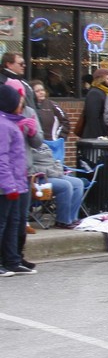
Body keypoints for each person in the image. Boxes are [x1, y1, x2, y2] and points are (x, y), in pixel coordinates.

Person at [0, 85, 31, 276]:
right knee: (2, 223)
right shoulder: (3, 125)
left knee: (14, 222)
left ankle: (12, 260)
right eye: (18, 101)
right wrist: (9, 185)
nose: (22, 105)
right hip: (6, 185)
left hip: (16, 182)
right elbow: (2, 158)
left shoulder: (10, 124)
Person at [31, 141, 85, 228]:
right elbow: (30, 168)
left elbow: (54, 161)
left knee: (78, 183)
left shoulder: (44, 145)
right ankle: (63, 221)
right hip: (39, 179)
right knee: (65, 186)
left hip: (54, 174)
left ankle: (72, 218)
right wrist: (49, 171)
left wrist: (57, 169)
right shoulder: (26, 148)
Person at [80, 68, 108, 138]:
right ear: (100, 79)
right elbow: (93, 117)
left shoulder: (106, 92)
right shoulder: (95, 93)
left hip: (103, 133)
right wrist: (98, 136)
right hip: (95, 135)